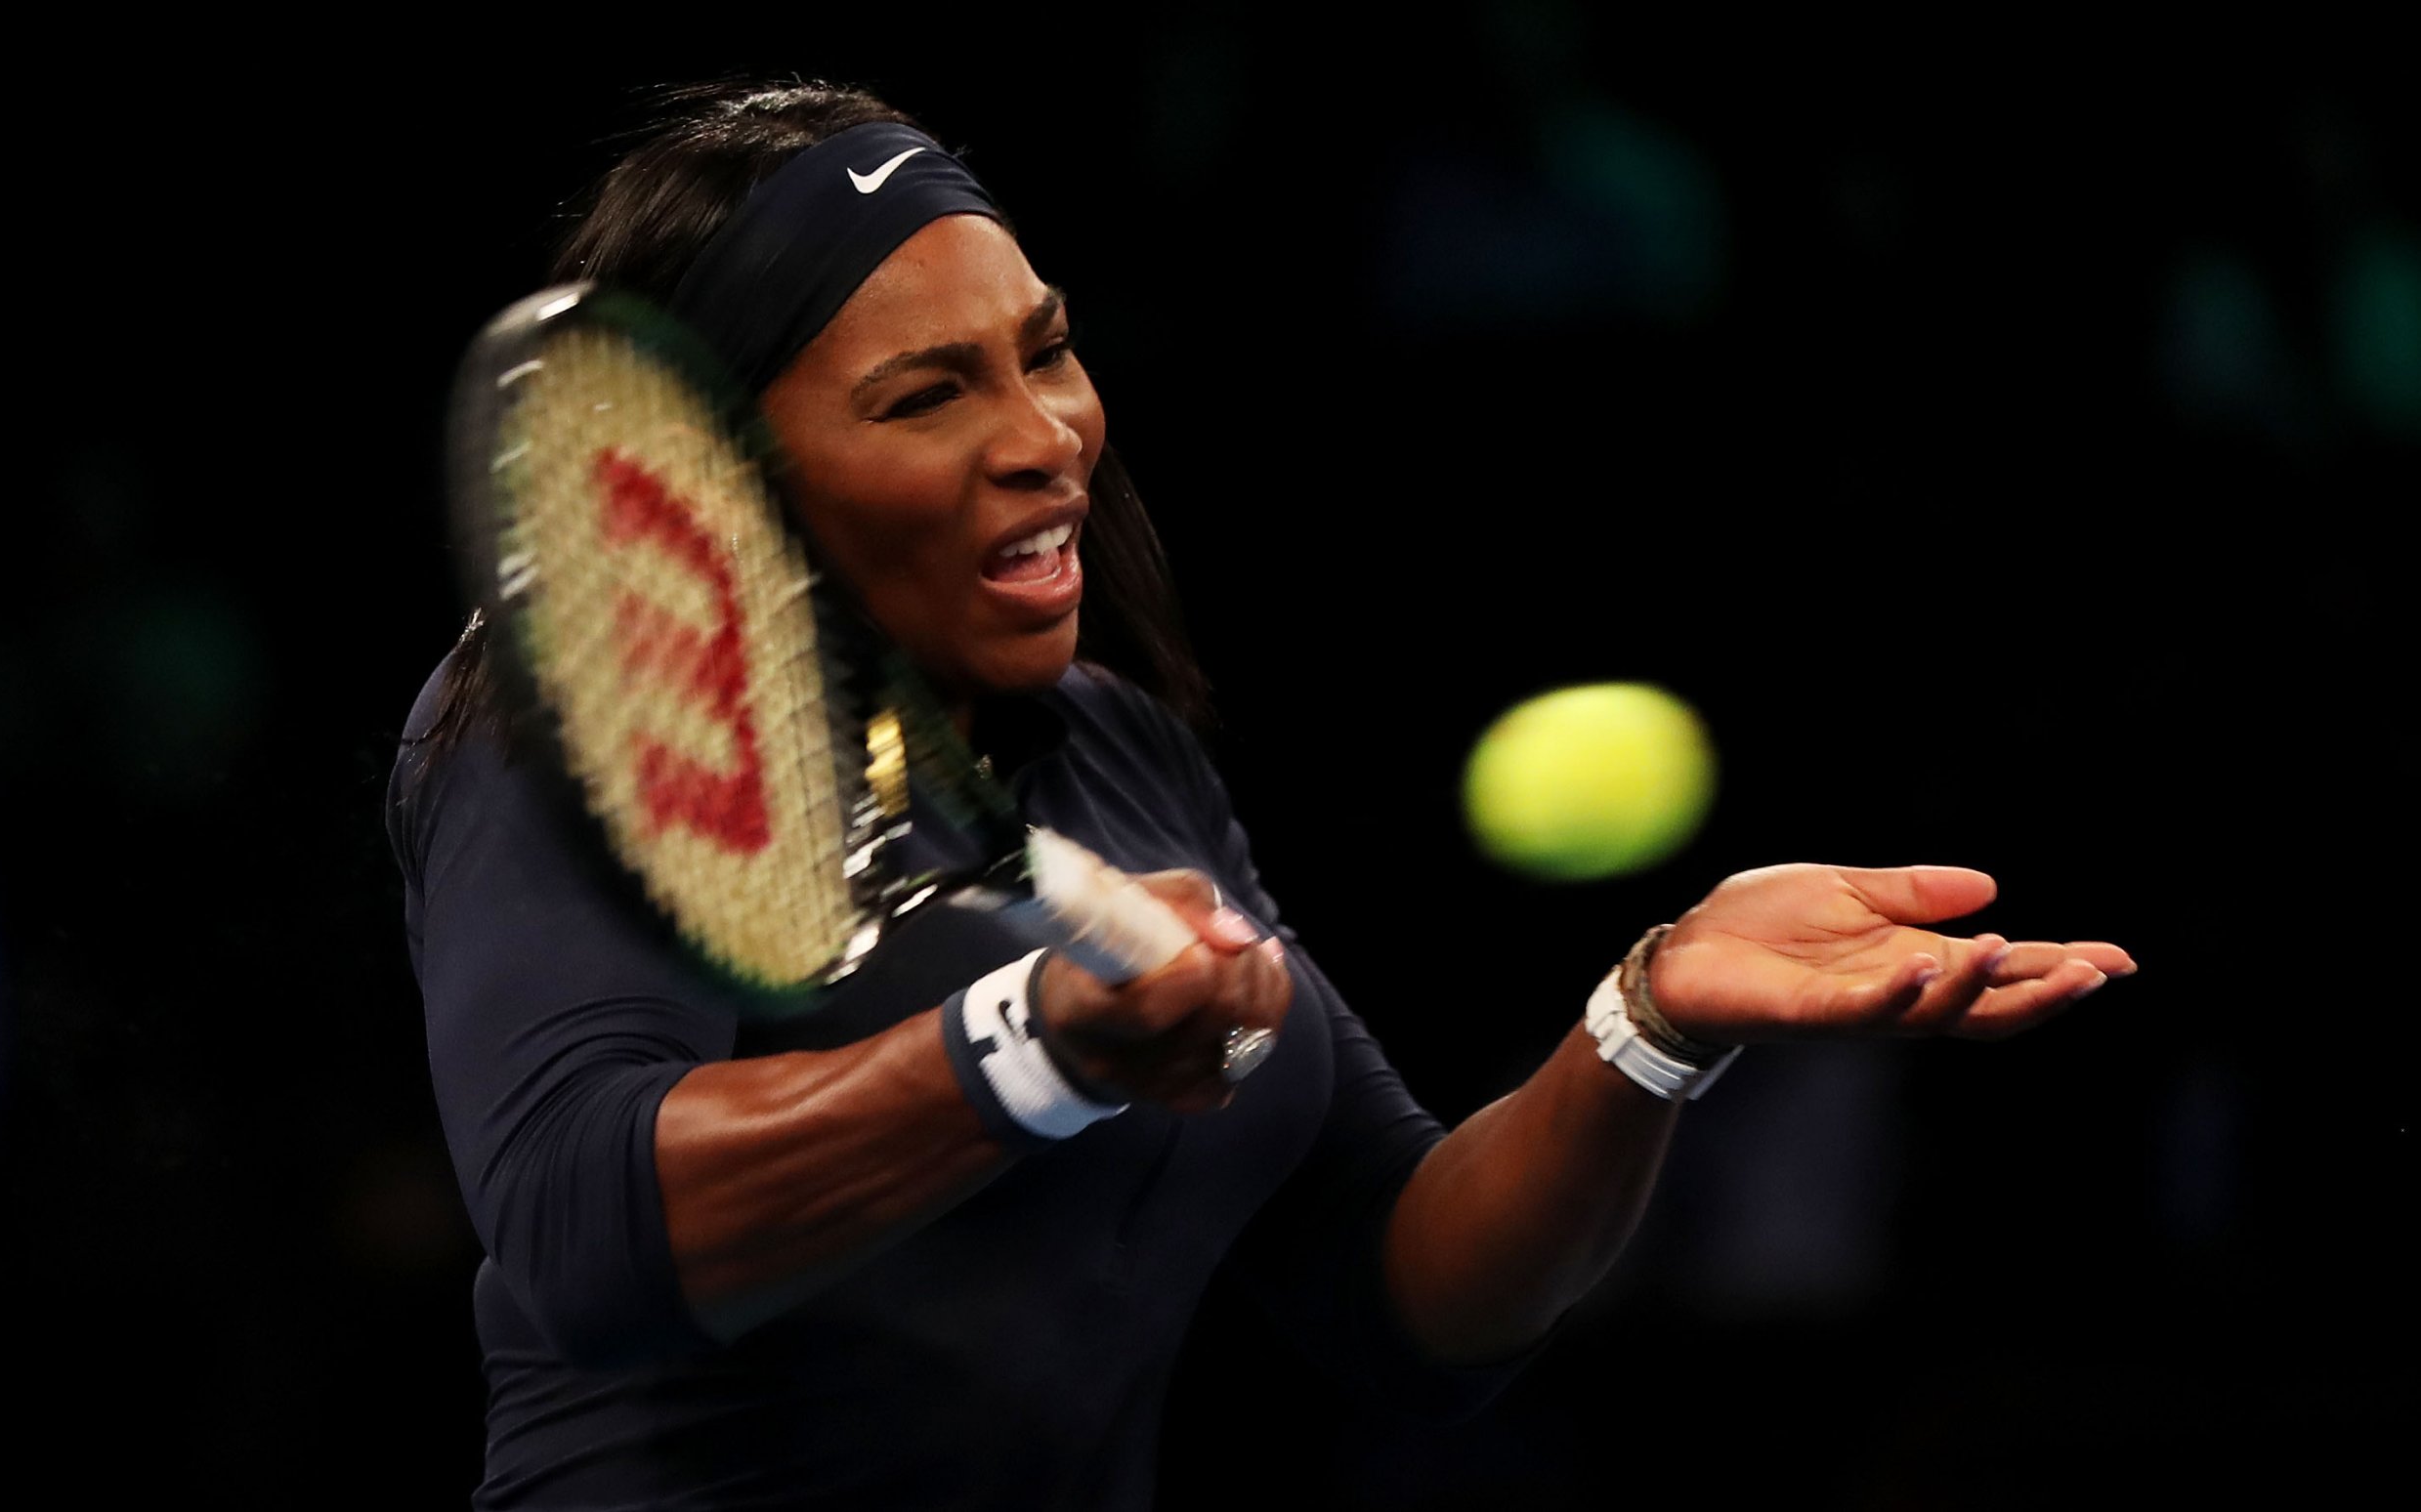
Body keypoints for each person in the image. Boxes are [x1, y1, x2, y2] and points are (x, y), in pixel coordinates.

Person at [389, 81, 2135, 1510]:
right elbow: (585, 1238)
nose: (1044, 436)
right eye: (929, 395)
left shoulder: (1115, 752)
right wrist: (1033, 1049)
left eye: (1046, 350)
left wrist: (1650, 1018)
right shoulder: (575, 742)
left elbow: (1411, 1298)